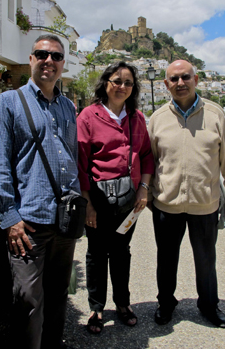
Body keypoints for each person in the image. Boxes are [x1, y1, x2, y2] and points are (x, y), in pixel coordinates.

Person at [0, 34, 79, 349]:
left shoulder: (68, 107)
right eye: (42, 54)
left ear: (62, 64)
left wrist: (77, 201)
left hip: (64, 222)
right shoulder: (9, 102)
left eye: (55, 56)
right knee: (27, 299)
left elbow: (71, 159)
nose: (48, 61)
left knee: (57, 294)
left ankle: (53, 343)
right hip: (28, 223)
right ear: (31, 59)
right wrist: (9, 217)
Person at [77, 61, 154, 333]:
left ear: (133, 88)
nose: (122, 86)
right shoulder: (88, 116)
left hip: (127, 202)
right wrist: (87, 206)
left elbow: (146, 155)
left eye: (128, 82)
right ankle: (96, 308)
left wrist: (143, 188)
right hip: (97, 200)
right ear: (106, 82)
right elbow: (81, 163)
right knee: (96, 253)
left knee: (121, 252)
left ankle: (123, 304)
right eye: (117, 80)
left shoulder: (137, 118)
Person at [148, 59, 225, 328]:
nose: (180, 83)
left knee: (206, 260)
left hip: (205, 204)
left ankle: (208, 305)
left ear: (196, 79)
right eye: (174, 79)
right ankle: (166, 303)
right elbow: (152, 162)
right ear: (166, 84)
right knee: (166, 259)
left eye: (186, 77)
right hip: (167, 205)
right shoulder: (156, 119)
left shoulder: (216, 115)